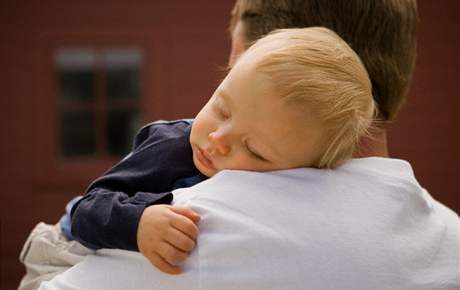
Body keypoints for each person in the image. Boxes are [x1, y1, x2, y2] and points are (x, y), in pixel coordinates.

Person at [19, 25, 375, 289]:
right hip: (65, 251)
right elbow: (89, 208)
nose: (217, 139)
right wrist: (139, 223)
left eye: (253, 149)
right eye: (221, 109)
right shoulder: (171, 146)